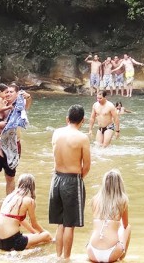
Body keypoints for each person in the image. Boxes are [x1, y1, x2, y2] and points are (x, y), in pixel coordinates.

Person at [50, 104, 91, 259]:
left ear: (67, 118)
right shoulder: (82, 138)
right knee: (70, 224)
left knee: (60, 223)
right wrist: (77, 180)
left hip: (56, 179)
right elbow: (86, 166)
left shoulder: (56, 133)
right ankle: (66, 259)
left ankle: (58, 257)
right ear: (83, 120)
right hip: (72, 180)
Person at [0, 85, 32, 202]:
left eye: (11, 92)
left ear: (17, 94)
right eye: (7, 92)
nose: (8, 94)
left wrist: (28, 97)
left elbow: (27, 104)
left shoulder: (19, 108)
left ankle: (9, 204)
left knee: (10, 176)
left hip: (12, 145)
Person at [0, 173, 53, 251]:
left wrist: (35, 234)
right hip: (14, 241)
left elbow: (20, 220)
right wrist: (47, 235)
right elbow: (34, 224)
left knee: (34, 237)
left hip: (0, 241)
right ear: (32, 186)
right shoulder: (29, 200)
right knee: (46, 235)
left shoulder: (9, 197)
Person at [86, 169, 131, 263]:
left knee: (99, 226)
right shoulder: (123, 200)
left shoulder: (95, 200)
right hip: (111, 253)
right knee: (127, 227)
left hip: (92, 252)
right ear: (119, 184)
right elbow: (125, 225)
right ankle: (121, 258)